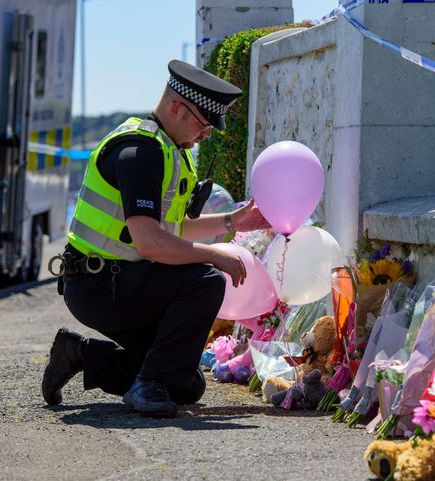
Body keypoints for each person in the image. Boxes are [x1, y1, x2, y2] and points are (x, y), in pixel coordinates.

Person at [41, 60, 270, 417]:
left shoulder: (167, 148)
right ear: (177, 108)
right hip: (100, 285)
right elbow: (150, 243)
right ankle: (145, 386)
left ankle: (81, 355)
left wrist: (232, 221)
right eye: (204, 122)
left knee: (186, 385)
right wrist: (214, 255)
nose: (207, 133)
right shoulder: (140, 153)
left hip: (120, 281)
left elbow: (170, 231)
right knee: (207, 280)